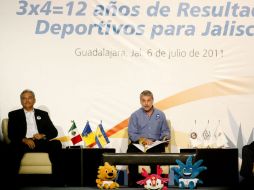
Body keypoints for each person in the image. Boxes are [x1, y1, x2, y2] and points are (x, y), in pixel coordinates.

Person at [8, 89, 63, 187]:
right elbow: (11, 134)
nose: (27, 100)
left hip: (40, 142)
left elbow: (54, 132)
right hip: (23, 143)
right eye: (24, 98)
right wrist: (24, 139)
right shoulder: (13, 114)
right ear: (21, 101)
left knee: (56, 143)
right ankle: (13, 182)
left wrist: (43, 135)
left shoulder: (43, 114)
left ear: (34, 100)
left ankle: (56, 181)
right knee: (12, 147)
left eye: (30, 98)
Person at [127, 90, 170, 187]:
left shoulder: (161, 114)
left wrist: (165, 137)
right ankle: (135, 183)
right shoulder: (135, 115)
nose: (146, 103)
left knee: (156, 152)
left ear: (152, 101)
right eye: (143, 101)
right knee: (130, 150)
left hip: (155, 144)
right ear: (140, 101)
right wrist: (143, 140)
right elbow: (132, 134)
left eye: (148, 100)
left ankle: (155, 183)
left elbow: (166, 131)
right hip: (139, 144)